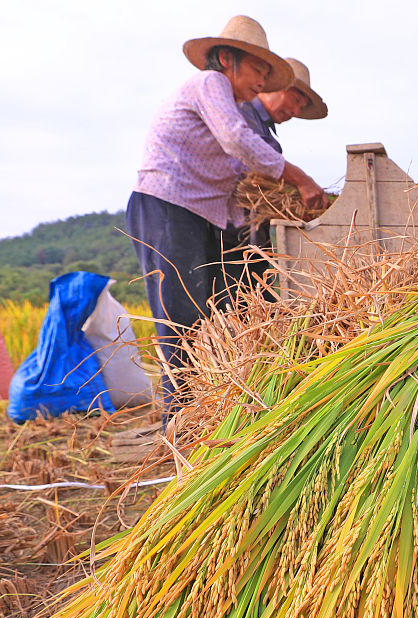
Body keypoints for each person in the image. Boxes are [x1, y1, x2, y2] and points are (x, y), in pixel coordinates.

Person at [125, 16, 327, 419]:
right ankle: (180, 426)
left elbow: (237, 179)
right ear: (225, 59)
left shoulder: (232, 104)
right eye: (258, 70)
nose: (262, 82)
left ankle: (208, 415)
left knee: (207, 314)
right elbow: (238, 140)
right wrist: (301, 179)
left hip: (203, 214)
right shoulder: (210, 84)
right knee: (181, 318)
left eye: (268, 74)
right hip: (168, 204)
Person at [231, 57, 329, 275]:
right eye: (294, 100)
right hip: (231, 229)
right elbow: (253, 167)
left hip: (253, 230)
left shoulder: (264, 126)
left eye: (301, 107)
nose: (295, 111)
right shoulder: (241, 112)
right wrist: (301, 184)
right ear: (272, 87)